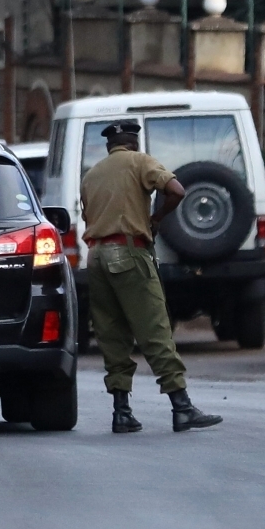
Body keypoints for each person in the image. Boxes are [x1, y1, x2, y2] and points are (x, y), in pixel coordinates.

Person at [79, 119, 222, 434]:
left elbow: (87, 215)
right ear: (134, 144)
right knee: (155, 329)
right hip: (128, 253)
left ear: (109, 146)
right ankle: (182, 408)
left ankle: (121, 412)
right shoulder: (139, 162)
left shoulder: (91, 175)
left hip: (97, 257)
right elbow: (176, 190)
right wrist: (156, 217)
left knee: (111, 334)